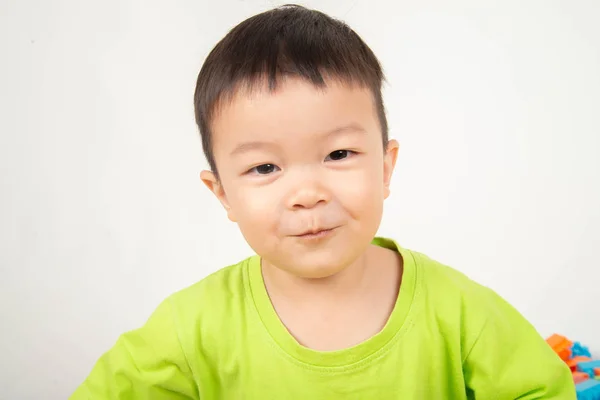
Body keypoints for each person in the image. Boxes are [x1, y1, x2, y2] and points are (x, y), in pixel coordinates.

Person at [71, 4, 575, 399]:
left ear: (384, 167)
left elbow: (542, 389)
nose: (308, 194)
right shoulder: (190, 329)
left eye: (338, 153)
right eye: (264, 168)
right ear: (222, 192)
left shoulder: (461, 313)